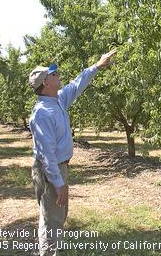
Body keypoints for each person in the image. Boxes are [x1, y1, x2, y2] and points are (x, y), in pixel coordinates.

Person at [28, 49, 116, 256]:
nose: (58, 75)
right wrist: (58, 184)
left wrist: (97, 65)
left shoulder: (57, 100)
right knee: (52, 219)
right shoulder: (42, 114)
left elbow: (77, 84)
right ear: (45, 84)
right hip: (51, 170)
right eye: (53, 74)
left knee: (54, 215)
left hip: (58, 166)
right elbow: (47, 156)